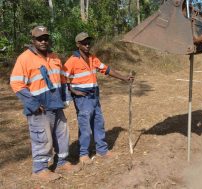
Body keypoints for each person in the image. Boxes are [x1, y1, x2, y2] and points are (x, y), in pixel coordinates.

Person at [10, 26, 80, 181]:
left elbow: (62, 79)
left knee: (62, 134)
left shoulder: (54, 57)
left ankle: (62, 162)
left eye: (45, 38)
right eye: (39, 39)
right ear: (33, 40)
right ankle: (40, 169)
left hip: (56, 105)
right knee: (43, 138)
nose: (43, 41)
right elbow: (16, 83)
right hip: (39, 108)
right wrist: (33, 103)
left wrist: (66, 96)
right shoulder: (24, 58)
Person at [63, 32, 134, 165]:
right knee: (85, 127)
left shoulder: (92, 58)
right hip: (83, 99)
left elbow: (106, 70)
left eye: (88, 42)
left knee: (98, 123)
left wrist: (124, 77)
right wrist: (73, 91)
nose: (87, 45)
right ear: (78, 44)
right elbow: (62, 77)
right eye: (84, 43)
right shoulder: (72, 60)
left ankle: (102, 150)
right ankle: (83, 154)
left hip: (94, 96)